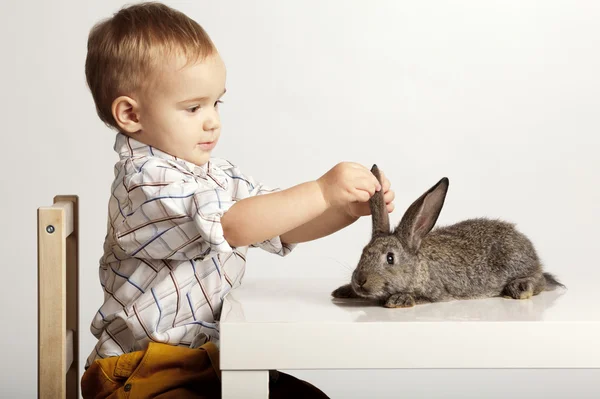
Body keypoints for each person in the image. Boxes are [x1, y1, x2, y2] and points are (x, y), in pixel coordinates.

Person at [81, 2, 395, 398]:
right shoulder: (145, 183)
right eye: (193, 107)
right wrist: (320, 189)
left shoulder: (216, 175)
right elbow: (233, 226)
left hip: (211, 360)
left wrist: (342, 208)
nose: (212, 120)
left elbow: (278, 223)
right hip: (144, 375)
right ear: (130, 114)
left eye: (216, 103)